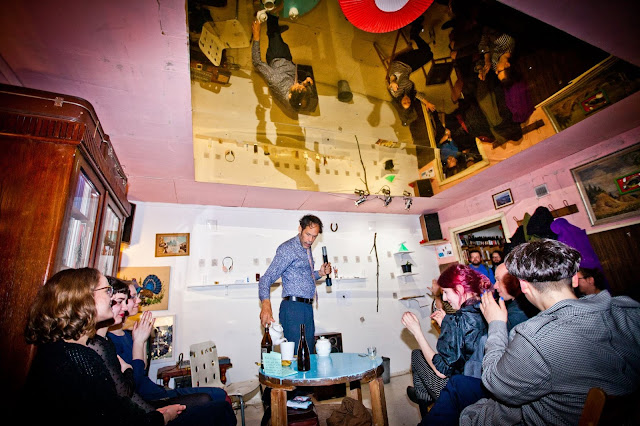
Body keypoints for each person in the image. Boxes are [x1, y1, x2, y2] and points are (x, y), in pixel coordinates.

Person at [460, 239, 640, 425]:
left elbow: (495, 385)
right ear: (575, 279)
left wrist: (496, 324)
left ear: (524, 286)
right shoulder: (628, 309)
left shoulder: (534, 338)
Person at [22, 268, 184, 426]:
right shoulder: (79, 356)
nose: (112, 297)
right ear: (85, 298)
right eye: (107, 291)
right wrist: (162, 418)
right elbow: (116, 418)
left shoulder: (60, 349)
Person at [107, 277, 230, 406]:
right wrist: (139, 342)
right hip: (147, 399)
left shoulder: (128, 334)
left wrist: (142, 340)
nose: (138, 300)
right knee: (215, 398)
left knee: (220, 394)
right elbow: (135, 381)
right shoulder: (110, 341)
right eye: (132, 297)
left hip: (155, 390)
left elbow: (142, 368)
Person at [402, 264, 491, 418]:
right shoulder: (486, 308)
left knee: (417, 354)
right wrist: (446, 324)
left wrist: (417, 332)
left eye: (446, 292)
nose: (444, 298)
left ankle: (424, 399)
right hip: (483, 385)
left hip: (460, 391)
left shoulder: (456, 320)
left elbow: (441, 371)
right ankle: (423, 395)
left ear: (460, 289)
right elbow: (468, 343)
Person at [259, 214, 331, 349]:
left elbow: (304, 278)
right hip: (293, 309)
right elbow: (266, 278)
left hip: (306, 308)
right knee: (296, 354)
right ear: (300, 229)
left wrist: (320, 273)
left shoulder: (306, 248)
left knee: (309, 353)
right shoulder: (288, 249)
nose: (310, 240)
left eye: (314, 236)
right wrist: (266, 304)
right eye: (308, 234)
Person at [251, 13, 314, 113]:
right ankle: (277, 32)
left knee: (273, 25)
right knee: (282, 42)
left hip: (276, 56)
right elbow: (299, 100)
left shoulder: (276, 80)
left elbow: (257, 62)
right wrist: (304, 84)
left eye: (298, 87)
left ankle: (273, 26)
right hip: (288, 62)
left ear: (290, 95)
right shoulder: (294, 102)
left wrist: (256, 35)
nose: (299, 84)